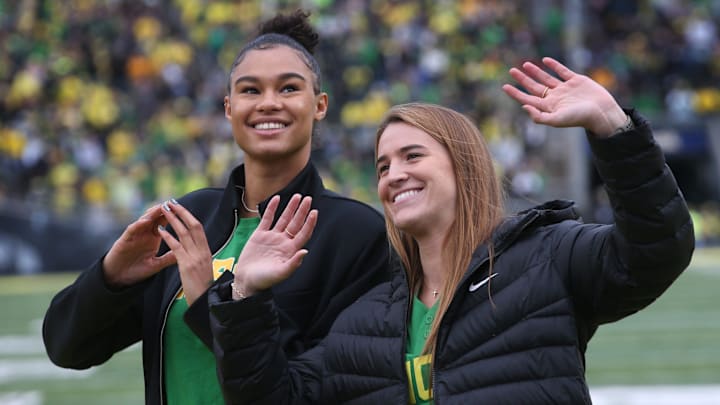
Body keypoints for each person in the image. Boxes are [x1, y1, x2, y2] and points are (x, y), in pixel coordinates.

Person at [206, 57, 695, 404]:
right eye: (382, 167)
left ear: (462, 166)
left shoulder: (545, 258)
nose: (393, 174)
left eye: (412, 156)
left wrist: (614, 129)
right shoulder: (368, 318)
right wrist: (245, 296)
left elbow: (654, 254)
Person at [42, 10, 390, 405]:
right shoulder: (190, 218)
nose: (269, 103)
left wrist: (211, 297)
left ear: (320, 105)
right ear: (228, 108)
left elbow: (321, 388)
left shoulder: (357, 234)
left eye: (289, 88)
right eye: (250, 90)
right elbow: (67, 348)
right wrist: (111, 278)